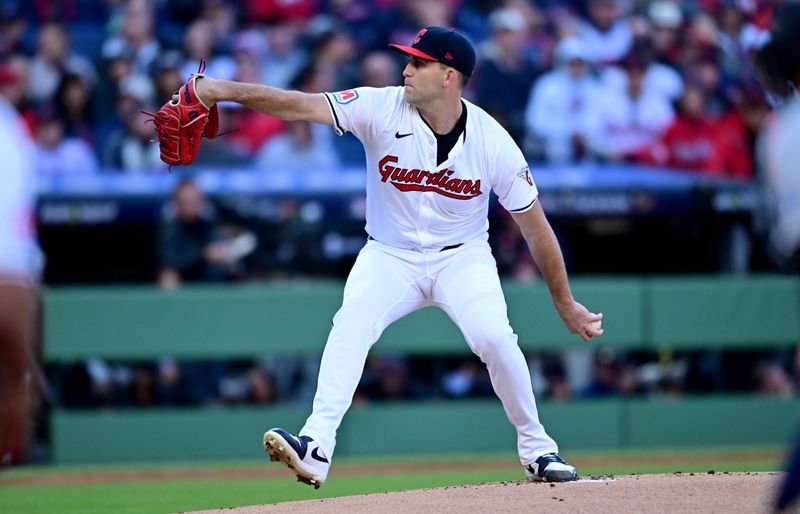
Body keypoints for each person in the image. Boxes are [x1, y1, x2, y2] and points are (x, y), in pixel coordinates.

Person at [186, 26, 603, 488]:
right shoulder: (379, 106)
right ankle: (316, 444)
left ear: (450, 76)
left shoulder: (493, 140)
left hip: (461, 258)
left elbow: (535, 228)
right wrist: (220, 90)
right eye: (408, 60)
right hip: (388, 253)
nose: (406, 69)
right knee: (350, 324)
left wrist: (564, 302)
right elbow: (297, 104)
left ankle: (538, 450)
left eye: (419, 63)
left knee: (496, 339)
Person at [0, 62, 41, 466]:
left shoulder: (12, 128)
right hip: (12, 274)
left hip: (14, 266)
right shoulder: (13, 129)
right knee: (17, 385)